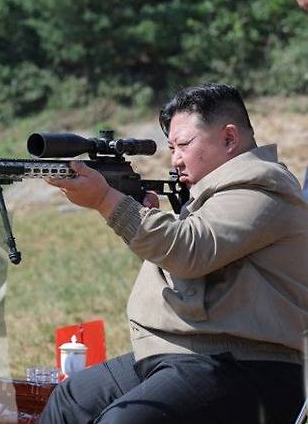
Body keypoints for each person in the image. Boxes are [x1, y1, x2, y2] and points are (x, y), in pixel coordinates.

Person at [41, 83, 308, 423]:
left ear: (229, 139)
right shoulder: (212, 197)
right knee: (71, 399)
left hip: (248, 364)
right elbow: (186, 265)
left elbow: (189, 250)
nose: (176, 158)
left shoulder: (263, 187)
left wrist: (107, 201)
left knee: (124, 421)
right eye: (170, 147)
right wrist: (142, 215)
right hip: (181, 352)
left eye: (183, 144)